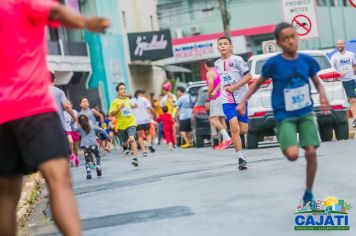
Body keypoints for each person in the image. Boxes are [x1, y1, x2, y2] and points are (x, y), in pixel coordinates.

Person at [0, 0, 110, 235]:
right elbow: (55, 11)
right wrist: (86, 22)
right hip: (34, 107)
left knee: (6, 197)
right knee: (59, 181)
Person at [237, 22, 330, 205]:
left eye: (293, 37)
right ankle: (284, 137)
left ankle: (309, 192)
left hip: (305, 112)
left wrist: (323, 96)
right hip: (284, 115)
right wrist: (243, 101)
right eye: (285, 39)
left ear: (298, 37)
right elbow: (256, 84)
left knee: (310, 152)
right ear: (279, 43)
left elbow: (317, 82)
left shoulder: (307, 61)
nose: (290, 42)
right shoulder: (273, 64)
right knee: (293, 155)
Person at [215, 36, 252, 170]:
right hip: (227, 99)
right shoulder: (217, 64)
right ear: (218, 47)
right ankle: (241, 158)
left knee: (243, 129)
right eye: (220, 44)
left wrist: (235, 86)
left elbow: (249, 76)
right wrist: (216, 90)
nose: (223, 46)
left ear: (230, 46)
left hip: (241, 97)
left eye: (225, 44)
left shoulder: (237, 60)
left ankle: (240, 148)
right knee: (234, 127)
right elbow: (222, 80)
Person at [50, 73, 79, 167]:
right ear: (53, 80)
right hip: (58, 126)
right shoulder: (58, 92)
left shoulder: (37, 92)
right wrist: (73, 116)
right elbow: (66, 106)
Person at [109, 82, 140, 167]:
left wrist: (134, 105)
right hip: (121, 125)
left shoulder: (127, 99)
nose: (124, 90)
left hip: (131, 122)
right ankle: (125, 147)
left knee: (132, 139)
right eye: (121, 89)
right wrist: (119, 108)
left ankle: (135, 158)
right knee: (125, 142)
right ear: (118, 92)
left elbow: (129, 106)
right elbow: (111, 114)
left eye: (124, 88)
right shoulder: (115, 102)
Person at [205, 59, 232, 150]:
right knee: (221, 119)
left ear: (206, 65)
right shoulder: (218, 71)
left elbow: (210, 87)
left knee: (213, 119)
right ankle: (225, 141)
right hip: (222, 96)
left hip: (215, 98)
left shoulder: (210, 73)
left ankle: (227, 138)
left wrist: (207, 99)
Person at [76, 115, 111, 180]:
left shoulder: (80, 128)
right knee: (98, 156)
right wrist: (108, 138)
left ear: (80, 122)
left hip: (86, 146)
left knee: (87, 160)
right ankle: (98, 166)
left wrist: (74, 122)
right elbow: (102, 131)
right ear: (88, 121)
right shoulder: (93, 127)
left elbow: (73, 129)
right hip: (94, 145)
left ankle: (89, 172)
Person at [330, 39, 356, 127]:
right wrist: (339, 74)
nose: (339, 45)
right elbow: (331, 69)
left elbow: (354, 65)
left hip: (350, 80)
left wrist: (352, 71)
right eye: (337, 44)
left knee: (353, 100)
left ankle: (355, 119)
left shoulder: (351, 54)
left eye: (341, 43)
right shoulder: (334, 57)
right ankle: (342, 122)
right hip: (339, 82)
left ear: (344, 45)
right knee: (343, 102)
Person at [131, 89, 156, 156]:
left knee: (140, 136)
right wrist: (153, 113)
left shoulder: (131, 101)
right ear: (140, 94)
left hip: (137, 121)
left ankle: (144, 150)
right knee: (148, 134)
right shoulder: (144, 99)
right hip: (145, 120)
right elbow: (149, 108)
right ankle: (149, 144)